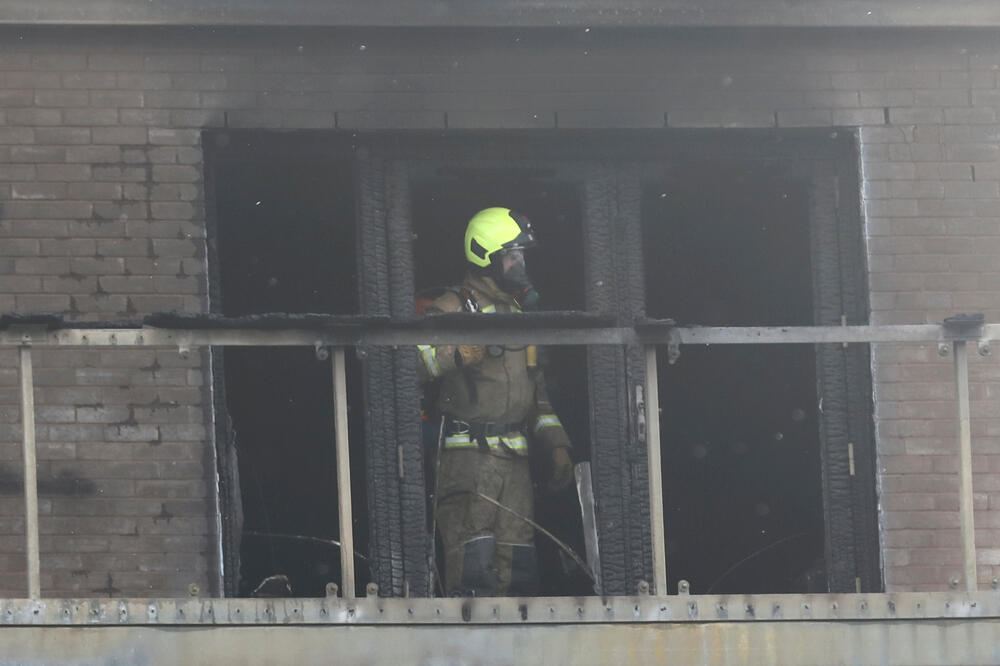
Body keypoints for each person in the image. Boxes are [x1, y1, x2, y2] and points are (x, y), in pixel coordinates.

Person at [417, 207, 574, 597]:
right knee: (472, 575)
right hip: (466, 463)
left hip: (515, 466)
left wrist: (556, 445)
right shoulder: (450, 307)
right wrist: (454, 354)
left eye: (521, 255)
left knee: (519, 571)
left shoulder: (520, 314)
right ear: (486, 256)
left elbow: (536, 395)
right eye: (512, 255)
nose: (519, 263)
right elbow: (403, 364)